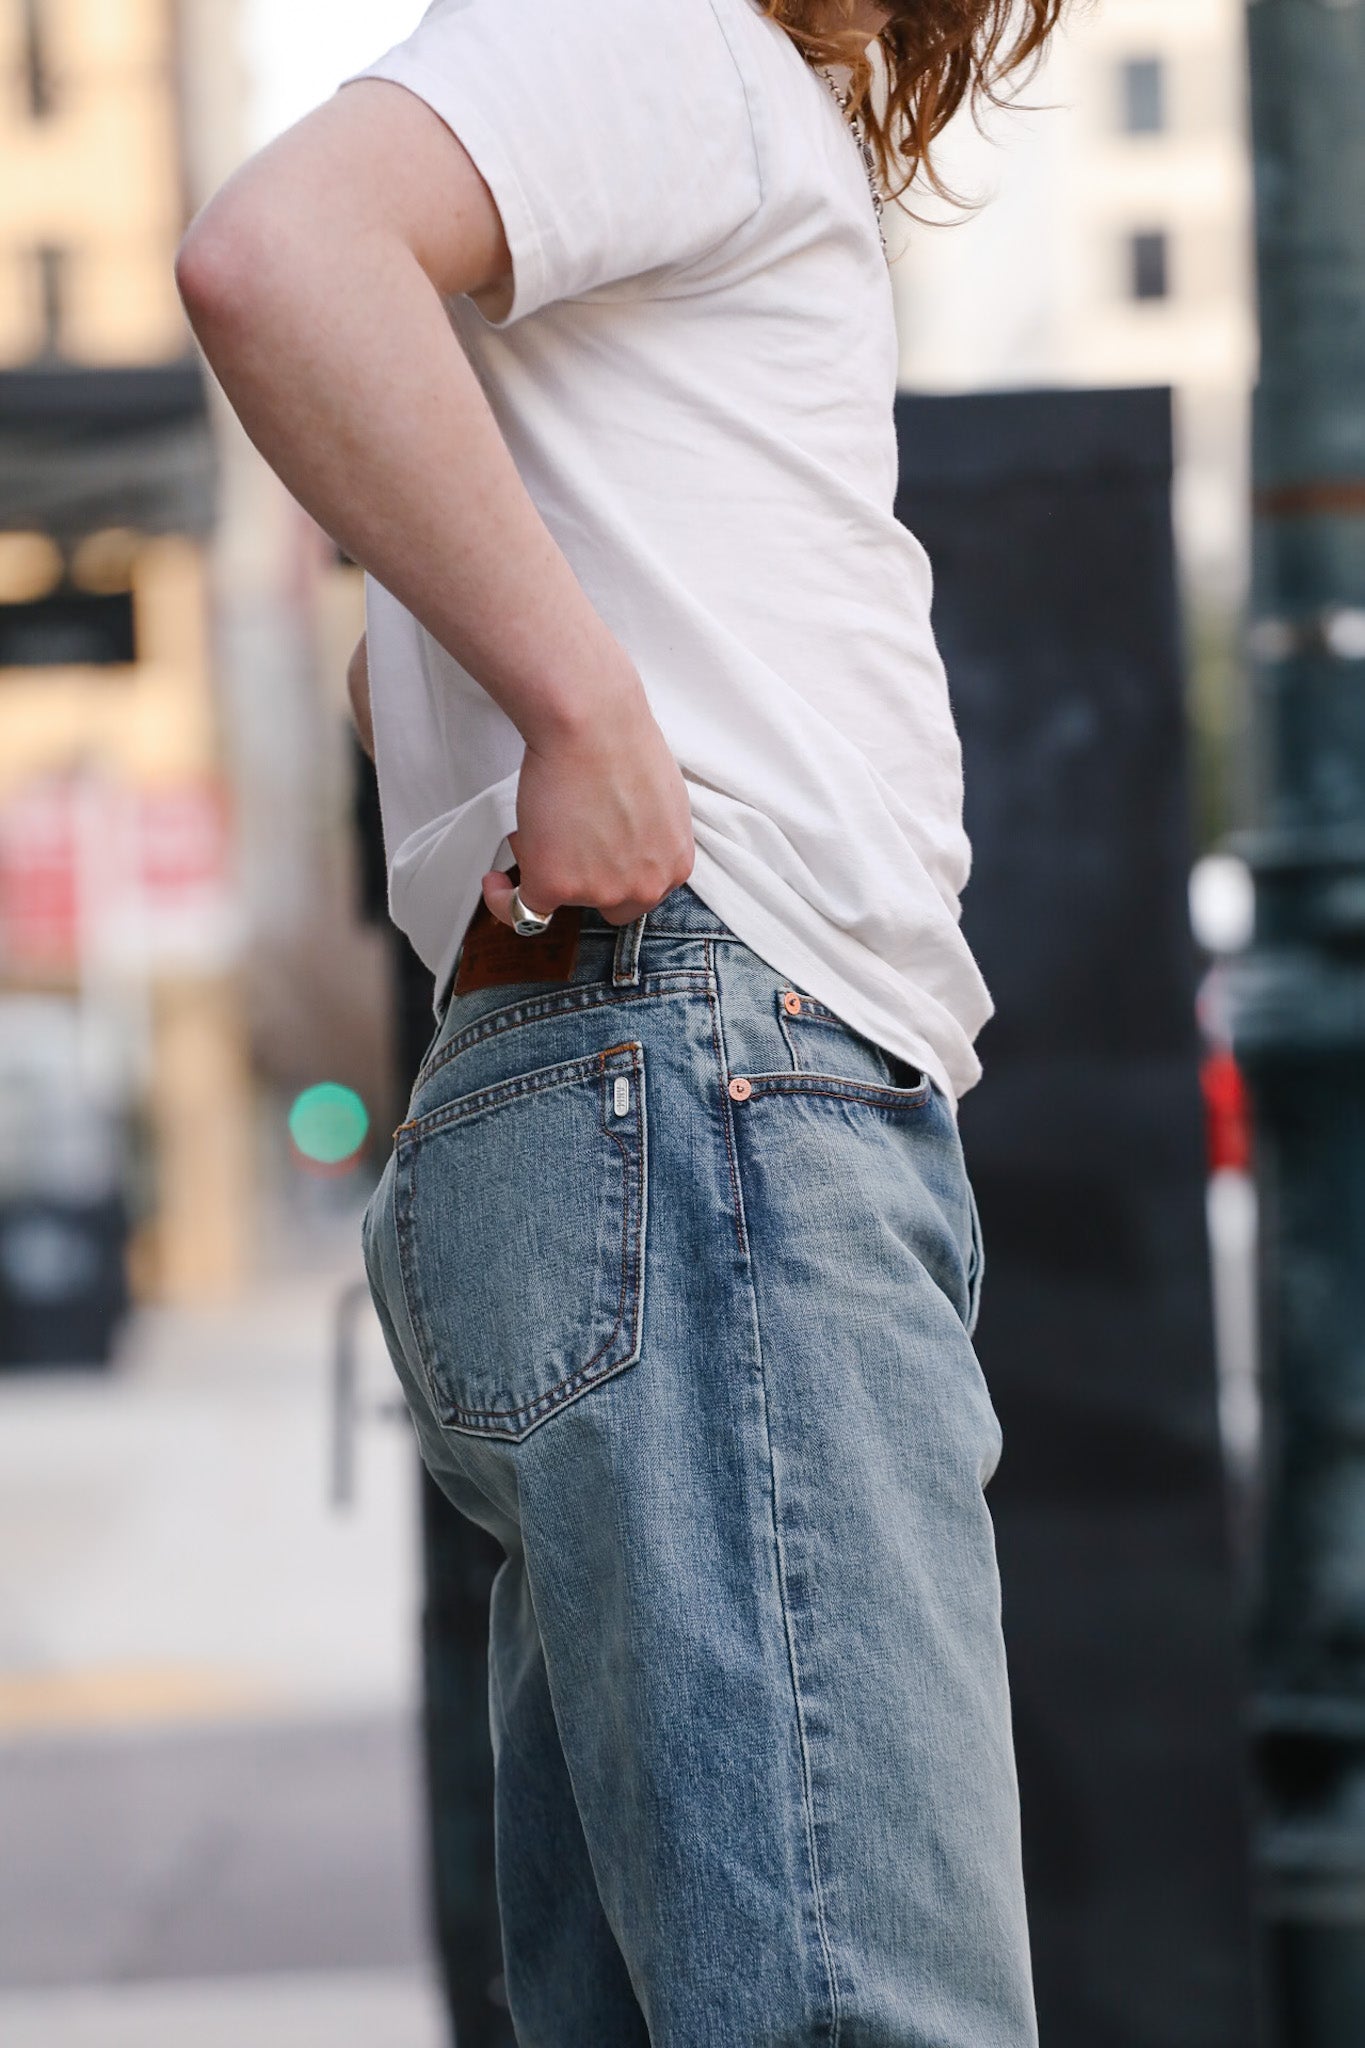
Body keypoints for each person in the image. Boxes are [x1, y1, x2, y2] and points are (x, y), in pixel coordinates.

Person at [177, 2, 1064, 2039]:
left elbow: (386, 632)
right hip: (718, 1078)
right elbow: (273, 251)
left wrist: (527, 690)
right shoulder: (667, 30)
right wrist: (582, 710)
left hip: (637, 1080)